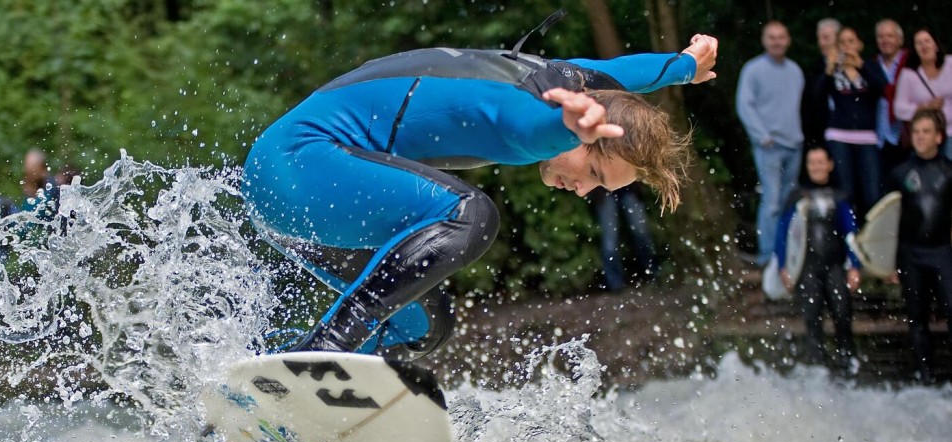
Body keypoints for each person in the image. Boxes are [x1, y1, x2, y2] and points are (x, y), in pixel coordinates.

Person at [243, 22, 719, 357]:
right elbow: (530, 128)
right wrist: (567, 127)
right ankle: (321, 353)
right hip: (299, 166)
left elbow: (623, 72)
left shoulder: (565, 76)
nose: (580, 191)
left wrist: (683, 66)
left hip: (303, 199)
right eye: (594, 174)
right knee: (472, 215)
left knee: (423, 325)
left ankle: (272, 383)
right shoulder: (529, 112)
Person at [774, 146, 862, 366]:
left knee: (842, 315)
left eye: (821, 162)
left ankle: (847, 364)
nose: (817, 167)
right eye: (812, 162)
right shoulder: (796, 197)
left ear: (830, 165)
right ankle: (817, 368)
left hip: (834, 267)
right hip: (806, 270)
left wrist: (855, 266)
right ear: (807, 166)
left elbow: (851, 233)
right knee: (813, 320)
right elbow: (783, 234)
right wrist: (784, 267)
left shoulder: (841, 196)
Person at [886, 108, 952, 384]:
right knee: (917, 317)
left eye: (926, 132)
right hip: (910, 254)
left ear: (939, 136)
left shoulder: (949, 171)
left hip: (942, 253)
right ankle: (926, 378)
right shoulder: (899, 172)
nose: (920, 137)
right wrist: (888, 262)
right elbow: (887, 220)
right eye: (916, 132)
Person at [737, 20, 804, 266]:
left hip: (794, 144)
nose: (777, 41)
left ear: (788, 40)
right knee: (772, 201)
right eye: (772, 37)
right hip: (769, 146)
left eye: (781, 37)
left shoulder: (795, 70)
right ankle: (768, 258)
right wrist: (762, 135)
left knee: (788, 202)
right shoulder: (753, 70)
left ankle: (787, 255)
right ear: (764, 40)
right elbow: (744, 105)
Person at [821, 26, 887, 220]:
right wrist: (828, 71)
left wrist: (862, 67)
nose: (847, 46)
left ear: (860, 44)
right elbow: (817, 97)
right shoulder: (833, 70)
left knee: (873, 193)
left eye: (851, 41)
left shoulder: (870, 66)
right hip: (839, 135)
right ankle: (847, 239)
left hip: (867, 136)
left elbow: (882, 90)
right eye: (842, 42)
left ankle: (871, 238)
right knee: (846, 191)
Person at [894, 29, 952, 161]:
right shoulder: (908, 74)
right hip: (926, 135)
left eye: (927, 41)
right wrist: (924, 107)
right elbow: (899, 109)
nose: (924, 46)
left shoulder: (950, 64)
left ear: (936, 45)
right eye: (919, 43)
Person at [588, 183, 658, 291]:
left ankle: (652, 272)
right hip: (604, 191)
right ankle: (615, 283)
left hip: (628, 188)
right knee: (610, 240)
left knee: (641, 232)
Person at [874, 19, 911, 173]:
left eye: (890, 36)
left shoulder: (910, 62)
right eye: (881, 36)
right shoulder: (872, 65)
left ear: (900, 40)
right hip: (879, 135)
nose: (885, 40)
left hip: (904, 133)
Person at [803, 18, 843, 150]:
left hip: (852, 134)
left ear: (838, 38)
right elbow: (811, 105)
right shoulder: (815, 69)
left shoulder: (853, 65)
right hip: (824, 135)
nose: (821, 43)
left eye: (826, 38)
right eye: (819, 38)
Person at [21, 148, 60, 220]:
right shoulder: (30, 188)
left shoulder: (52, 188)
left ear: (42, 168)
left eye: (32, 167)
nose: (27, 171)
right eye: (26, 167)